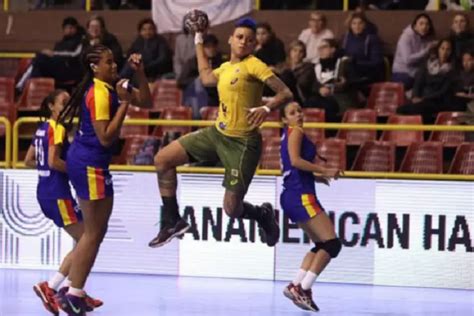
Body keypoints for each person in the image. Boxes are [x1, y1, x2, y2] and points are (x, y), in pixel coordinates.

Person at [148, 17, 293, 248]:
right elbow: (205, 76)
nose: (244, 42)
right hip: (217, 134)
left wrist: (266, 108)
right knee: (162, 160)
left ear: (254, 44)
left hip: (243, 143)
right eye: (239, 37)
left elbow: (285, 93)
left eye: (249, 39)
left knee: (232, 209)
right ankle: (171, 220)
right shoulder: (225, 68)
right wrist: (198, 38)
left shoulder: (255, 65)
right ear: (231, 39)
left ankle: (262, 214)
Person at [54, 45, 152, 315]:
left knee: (95, 232)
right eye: (108, 62)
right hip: (89, 164)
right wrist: (124, 103)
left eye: (113, 61)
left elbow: (147, 101)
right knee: (93, 233)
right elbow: (106, 137)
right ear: (95, 67)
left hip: (87, 162)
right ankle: (72, 294)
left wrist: (140, 74)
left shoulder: (110, 87)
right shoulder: (99, 92)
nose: (113, 65)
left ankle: (74, 290)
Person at [24, 90, 103, 315]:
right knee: (87, 239)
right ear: (51, 106)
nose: (69, 107)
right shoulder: (57, 128)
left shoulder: (41, 129)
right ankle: (53, 287)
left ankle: (70, 288)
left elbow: (29, 160)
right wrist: (76, 171)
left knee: (84, 240)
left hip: (46, 190)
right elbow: (53, 161)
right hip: (57, 193)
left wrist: (47, 171)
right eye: (64, 103)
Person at [279, 101, 342, 312]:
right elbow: (296, 161)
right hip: (300, 195)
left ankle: (295, 284)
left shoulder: (287, 135)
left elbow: (292, 167)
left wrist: (315, 177)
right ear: (284, 119)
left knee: (320, 245)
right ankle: (303, 288)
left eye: (299, 111)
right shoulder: (295, 132)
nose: (298, 115)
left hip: (292, 194)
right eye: (292, 112)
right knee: (332, 244)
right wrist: (323, 171)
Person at [397, 39, 456, 123]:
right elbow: (418, 82)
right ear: (438, 49)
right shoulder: (427, 64)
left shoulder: (452, 70)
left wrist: (424, 99)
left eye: (448, 49)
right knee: (401, 110)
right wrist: (415, 96)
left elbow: (443, 91)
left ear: (451, 52)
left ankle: (423, 134)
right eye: (442, 48)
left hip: (437, 101)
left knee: (419, 110)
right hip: (421, 99)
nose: (444, 52)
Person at [392, 13, 437, 89]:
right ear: (415, 26)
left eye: (427, 24)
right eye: (421, 24)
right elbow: (407, 60)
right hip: (402, 72)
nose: (424, 27)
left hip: (416, 72)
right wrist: (426, 51)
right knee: (425, 83)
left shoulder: (426, 38)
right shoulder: (406, 37)